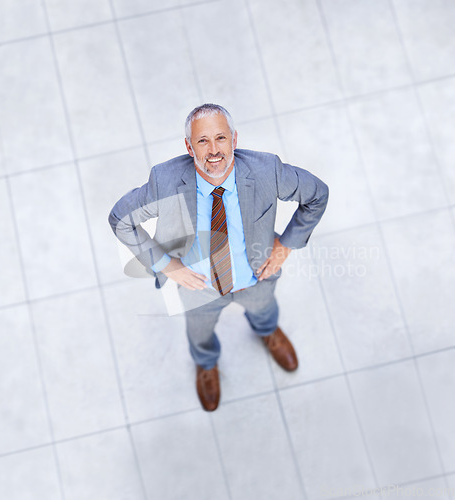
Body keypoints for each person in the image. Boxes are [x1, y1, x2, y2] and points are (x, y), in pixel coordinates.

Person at [108, 103, 329, 412]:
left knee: (265, 311)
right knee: (199, 333)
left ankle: (267, 333)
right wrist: (168, 266)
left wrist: (286, 245)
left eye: (221, 138)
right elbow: (121, 219)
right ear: (189, 146)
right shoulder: (166, 181)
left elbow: (317, 194)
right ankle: (206, 363)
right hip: (198, 286)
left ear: (234, 140)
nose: (213, 150)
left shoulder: (267, 170)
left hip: (257, 275)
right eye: (202, 141)